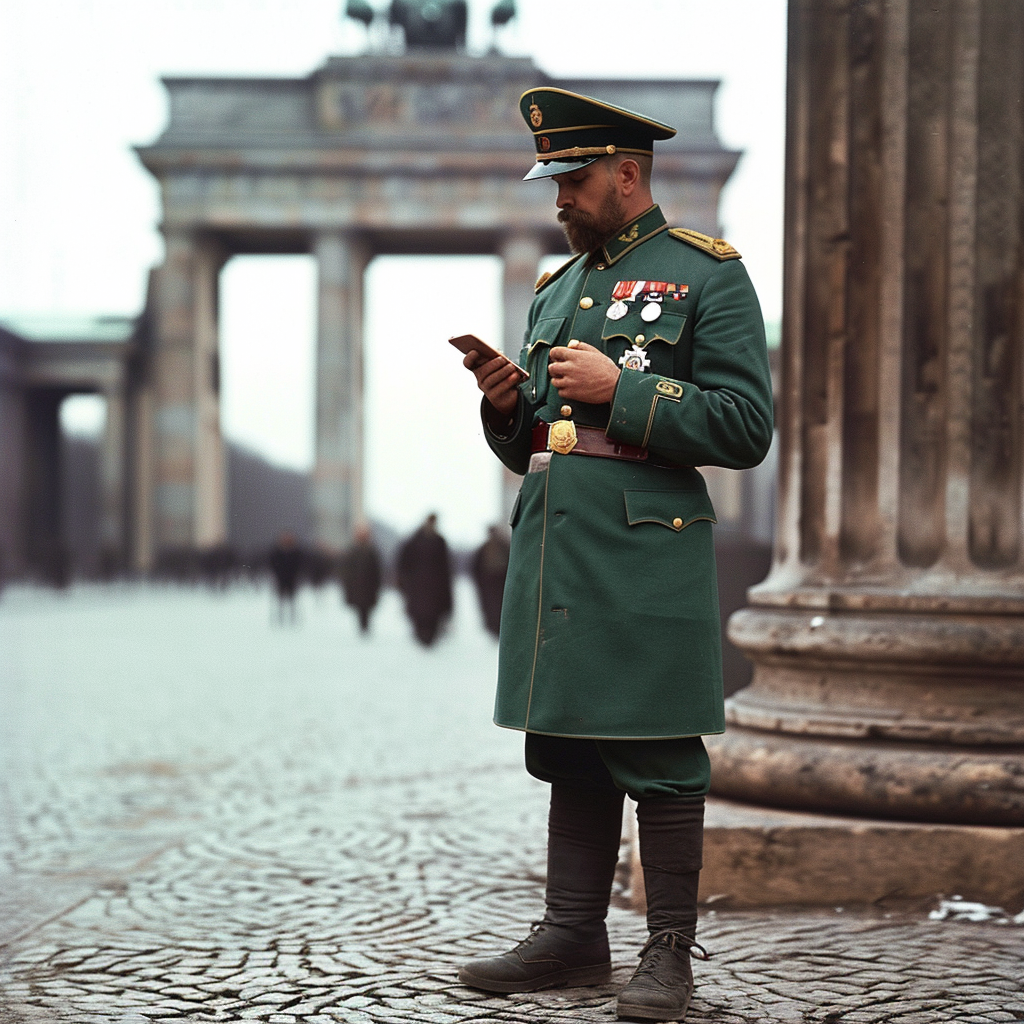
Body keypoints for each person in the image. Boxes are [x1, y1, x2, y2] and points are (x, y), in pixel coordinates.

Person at [457, 88, 774, 1022]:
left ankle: (669, 950)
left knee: (660, 748)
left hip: (645, 549)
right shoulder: (554, 291)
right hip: (558, 545)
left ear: (626, 174)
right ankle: (571, 933)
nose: (557, 196)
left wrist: (622, 385)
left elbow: (747, 426)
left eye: (573, 177)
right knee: (571, 741)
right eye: (552, 178)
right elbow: (538, 446)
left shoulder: (707, 274)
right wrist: (508, 407)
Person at [396, 513, 453, 646]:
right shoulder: (414, 541)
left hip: (431, 588)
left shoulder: (437, 541)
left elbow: (445, 567)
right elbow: (404, 565)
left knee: (431, 615)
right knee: (422, 615)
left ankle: (428, 637)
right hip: (419, 587)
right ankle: (423, 636)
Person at [339, 522, 383, 633]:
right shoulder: (352, 551)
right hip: (356, 586)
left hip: (369, 586)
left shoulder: (372, 551)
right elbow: (346, 569)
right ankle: (362, 627)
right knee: (359, 607)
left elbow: (377, 570)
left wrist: (377, 584)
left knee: (367, 608)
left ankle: (365, 626)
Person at [470, 524, 510, 637]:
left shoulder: (504, 546)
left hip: (501, 584)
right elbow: (476, 569)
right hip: (489, 586)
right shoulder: (484, 548)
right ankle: (494, 628)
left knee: (500, 607)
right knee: (492, 609)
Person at [267, 531, 304, 624]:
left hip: (292, 579)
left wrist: (298, 575)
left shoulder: (297, 552)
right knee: (280, 600)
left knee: (292, 600)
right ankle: (280, 618)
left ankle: (292, 618)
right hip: (280, 579)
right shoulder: (276, 551)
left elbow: (300, 565)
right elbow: (272, 564)